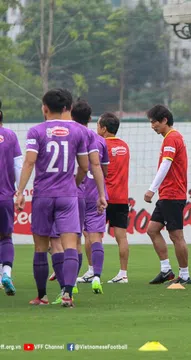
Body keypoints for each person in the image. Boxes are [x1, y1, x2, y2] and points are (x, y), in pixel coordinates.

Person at [16, 88, 106, 307]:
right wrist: (75, 184)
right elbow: (86, 166)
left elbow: (28, 162)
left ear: (44, 108)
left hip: (43, 195)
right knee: (70, 245)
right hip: (68, 196)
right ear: (68, 108)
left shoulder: (35, 131)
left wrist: (20, 192)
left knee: (40, 247)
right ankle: (68, 293)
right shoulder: (78, 132)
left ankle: (42, 296)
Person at [49, 100, 108, 304]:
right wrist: (102, 192)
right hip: (95, 192)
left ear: (71, 114)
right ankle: (97, 276)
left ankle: (71, 285)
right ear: (91, 119)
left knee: (73, 239)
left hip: (74, 192)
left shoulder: (68, 133)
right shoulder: (98, 139)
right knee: (96, 236)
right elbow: (103, 168)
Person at [144, 105, 191, 285]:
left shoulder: (172, 138)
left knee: (176, 235)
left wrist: (151, 189)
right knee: (152, 230)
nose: (152, 126)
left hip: (173, 194)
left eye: (154, 122)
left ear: (164, 120)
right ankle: (166, 270)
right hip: (167, 194)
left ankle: (185, 274)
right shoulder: (171, 137)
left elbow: (166, 164)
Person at [93, 112, 130, 284]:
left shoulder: (100, 144)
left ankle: (92, 271)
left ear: (104, 128)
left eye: (98, 125)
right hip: (122, 198)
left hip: (104, 196)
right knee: (121, 237)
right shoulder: (125, 146)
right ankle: (123, 274)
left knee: (93, 235)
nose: (96, 128)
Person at [0, 104, 23, 296]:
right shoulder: (10, 136)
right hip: (4, 196)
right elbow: (18, 166)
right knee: (5, 237)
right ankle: (6, 273)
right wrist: (19, 191)